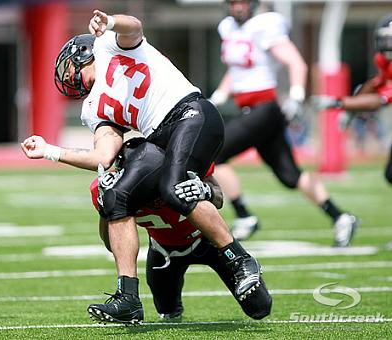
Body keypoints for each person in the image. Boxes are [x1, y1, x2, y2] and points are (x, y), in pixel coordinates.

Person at [21, 9, 263, 325]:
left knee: (173, 188)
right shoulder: (93, 108)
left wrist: (109, 22)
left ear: (83, 54)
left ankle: (240, 260)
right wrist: (50, 151)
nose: (67, 77)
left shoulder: (107, 46)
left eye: (69, 68)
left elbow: (134, 26)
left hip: (190, 113)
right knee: (115, 192)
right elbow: (104, 157)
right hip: (159, 138)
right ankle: (127, 297)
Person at [209, 0, 359, 246]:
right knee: (290, 175)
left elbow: (295, 62)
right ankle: (340, 216)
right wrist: (219, 96)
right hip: (252, 111)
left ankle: (244, 215)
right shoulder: (228, 28)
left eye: (243, 2)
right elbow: (236, 71)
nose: (238, 7)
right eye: (233, 2)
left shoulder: (264, 25)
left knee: (214, 154)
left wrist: (297, 96)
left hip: (265, 109)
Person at [90, 137, 272, 322]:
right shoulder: (118, 192)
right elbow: (111, 245)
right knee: (168, 312)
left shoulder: (182, 169)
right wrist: (106, 209)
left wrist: (205, 191)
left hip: (209, 242)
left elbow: (218, 198)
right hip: (164, 251)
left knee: (260, 307)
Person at [313, 13, 392, 185]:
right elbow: (376, 84)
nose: (388, 45)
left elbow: (382, 100)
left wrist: (339, 103)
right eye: (386, 40)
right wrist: (351, 110)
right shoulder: (384, 61)